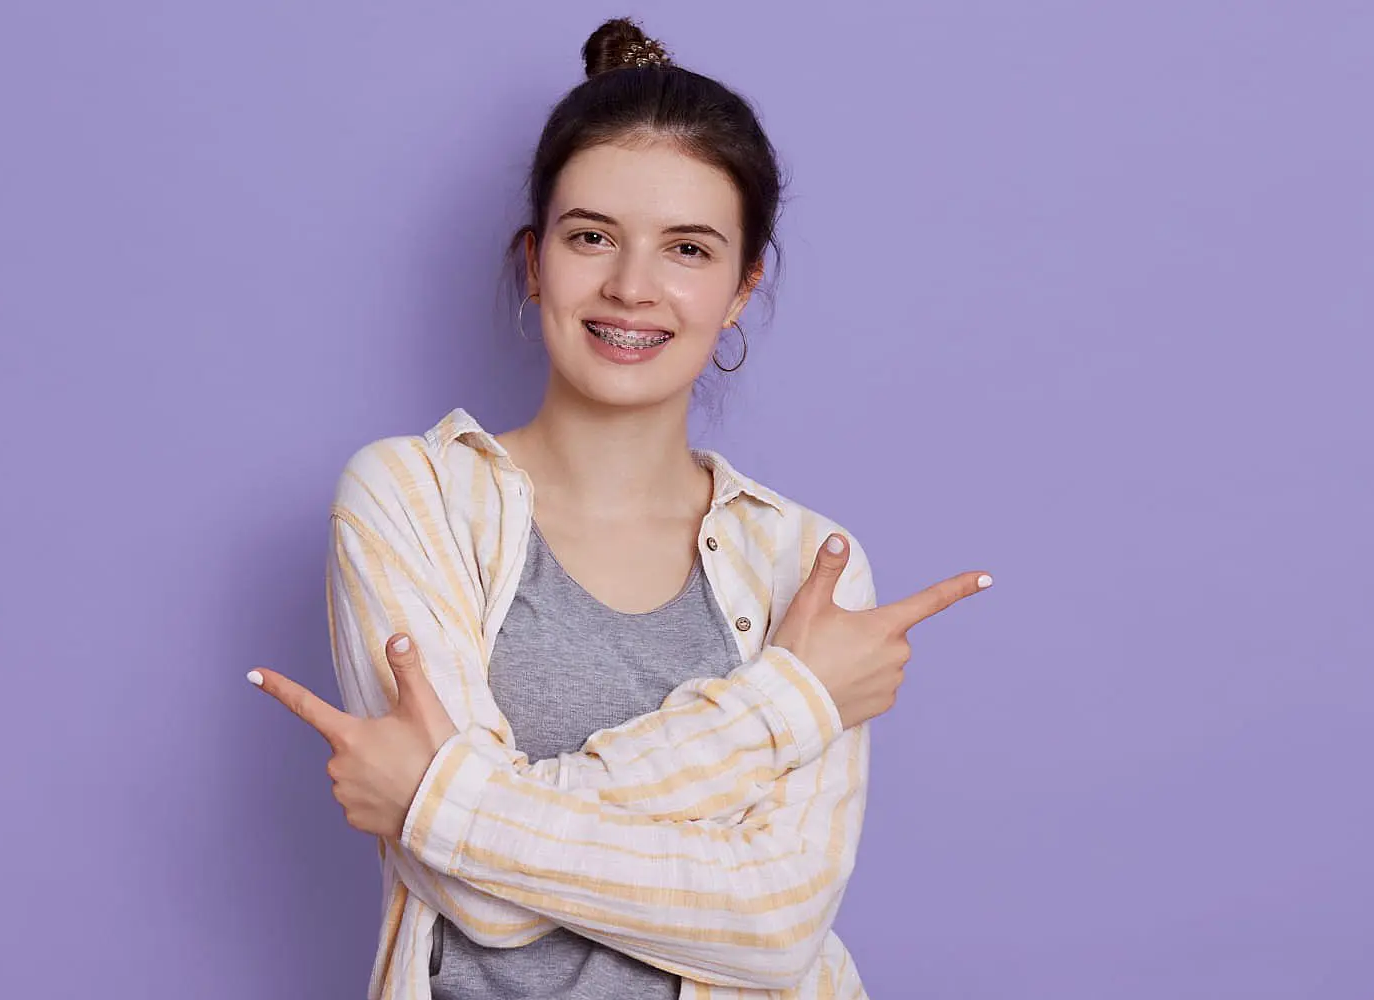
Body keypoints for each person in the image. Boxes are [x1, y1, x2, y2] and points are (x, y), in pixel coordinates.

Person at [249, 17, 991, 1000]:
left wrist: (440, 802)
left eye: (688, 248)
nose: (632, 288)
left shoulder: (809, 566)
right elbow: (480, 905)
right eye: (591, 236)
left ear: (742, 286)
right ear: (533, 260)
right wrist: (790, 702)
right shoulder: (408, 495)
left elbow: (773, 927)